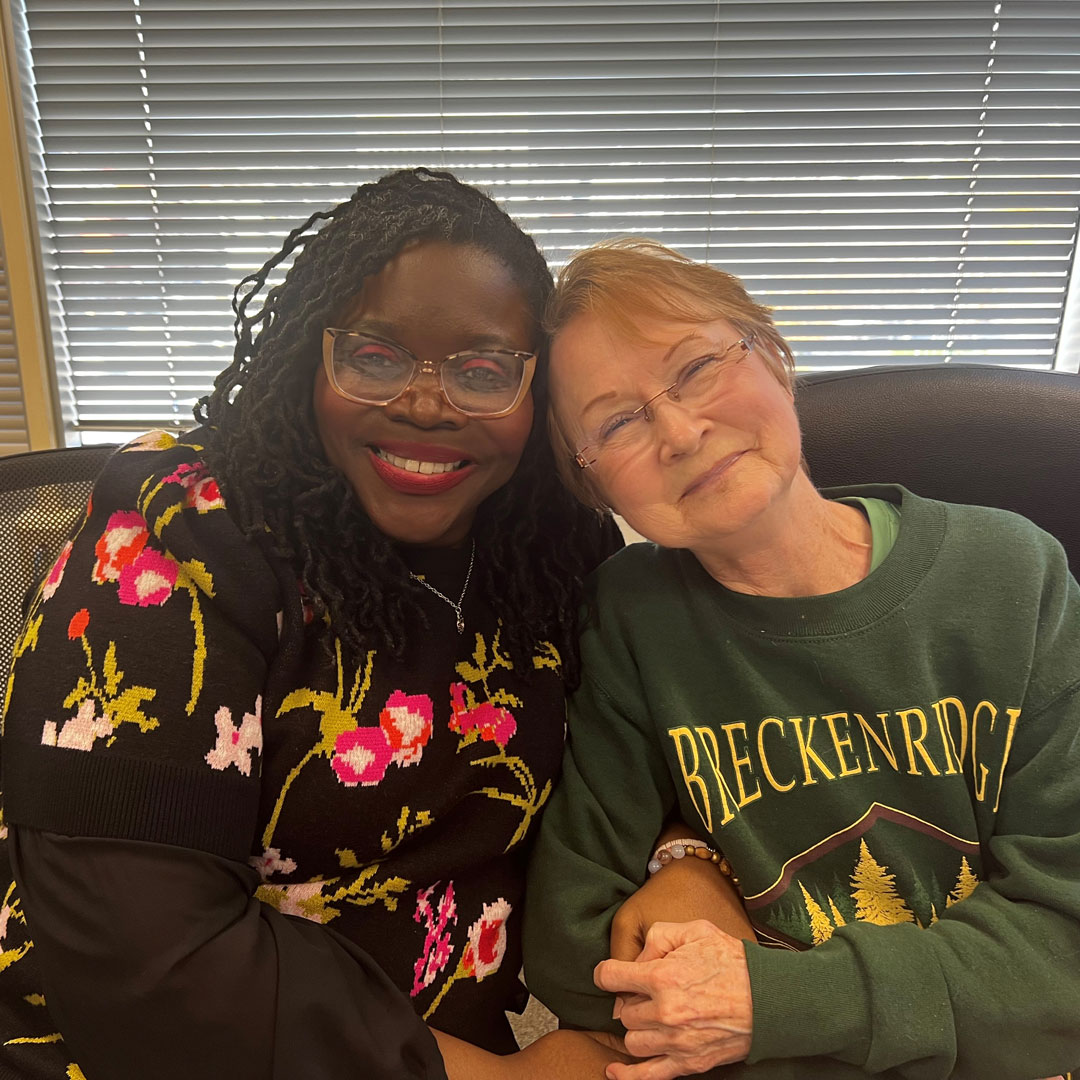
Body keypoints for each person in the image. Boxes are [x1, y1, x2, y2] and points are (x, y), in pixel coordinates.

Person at [0, 168, 630, 1080]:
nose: (425, 402)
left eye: (483, 370)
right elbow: (140, 956)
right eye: (374, 356)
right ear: (311, 360)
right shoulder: (181, 534)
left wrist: (683, 855)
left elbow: (657, 745)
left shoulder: (553, 545)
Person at [523, 237, 1080, 1080]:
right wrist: (691, 861)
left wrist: (773, 1007)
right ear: (594, 486)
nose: (679, 430)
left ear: (773, 357)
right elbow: (573, 948)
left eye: (697, 366)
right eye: (618, 422)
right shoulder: (635, 617)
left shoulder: (1012, 575)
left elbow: (1064, 959)